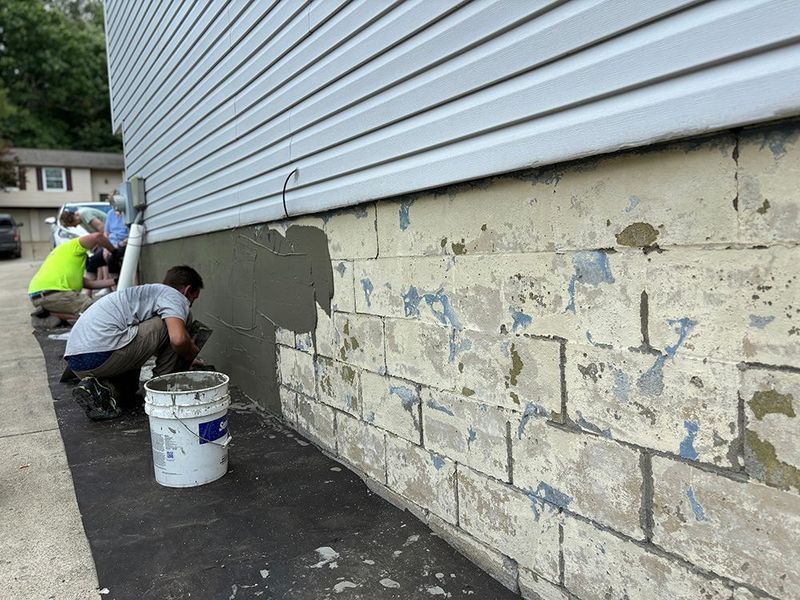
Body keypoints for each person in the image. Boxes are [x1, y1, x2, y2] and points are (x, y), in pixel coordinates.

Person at [64, 265, 204, 420]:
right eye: (193, 298)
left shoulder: (146, 295)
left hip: (77, 362)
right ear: (187, 290)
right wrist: (190, 351)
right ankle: (161, 390)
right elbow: (177, 340)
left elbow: (153, 342)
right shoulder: (174, 296)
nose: (190, 303)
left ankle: (102, 390)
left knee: (129, 394)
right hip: (102, 353)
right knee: (178, 324)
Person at [28, 232, 116, 322]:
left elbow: (90, 284)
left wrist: (115, 281)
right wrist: (114, 252)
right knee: (95, 310)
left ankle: (48, 314)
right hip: (53, 294)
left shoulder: (65, 261)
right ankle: (47, 315)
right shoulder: (74, 247)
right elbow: (97, 236)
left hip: (40, 297)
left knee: (81, 318)